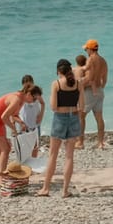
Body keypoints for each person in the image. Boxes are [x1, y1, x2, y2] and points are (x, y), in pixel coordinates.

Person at [38, 59, 84, 198]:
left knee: (53, 155)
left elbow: (53, 106)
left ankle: (46, 188)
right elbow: (81, 105)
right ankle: (65, 191)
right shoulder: (78, 83)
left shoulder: (56, 84)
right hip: (74, 118)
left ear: (58, 71)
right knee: (69, 156)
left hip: (60, 118)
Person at [81, 39, 109, 149]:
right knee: (99, 117)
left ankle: (80, 142)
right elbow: (105, 79)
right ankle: (100, 142)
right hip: (100, 90)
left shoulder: (90, 60)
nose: (86, 52)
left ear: (89, 49)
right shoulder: (103, 61)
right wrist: (99, 88)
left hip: (89, 92)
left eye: (86, 49)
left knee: (81, 116)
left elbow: (88, 78)